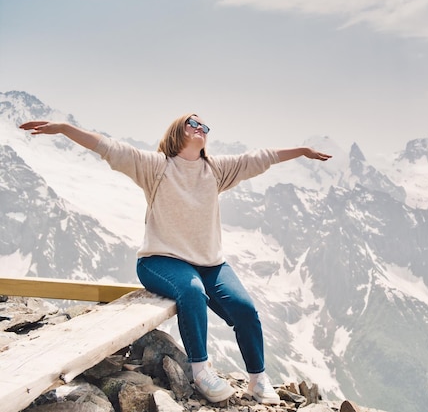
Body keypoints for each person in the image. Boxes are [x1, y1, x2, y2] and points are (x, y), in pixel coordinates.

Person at [19, 114, 332, 405]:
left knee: (245, 310)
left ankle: (257, 379)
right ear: (176, 131)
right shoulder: (155, 167)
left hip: (210, 264)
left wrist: (302, 150)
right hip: (161, 261)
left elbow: (259, 158)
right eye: (193, 123)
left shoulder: (217, 170)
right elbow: (107, 147)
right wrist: (63, 128)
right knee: (192, 291)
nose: (201, 129)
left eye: (205, 128)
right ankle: (200, 372)